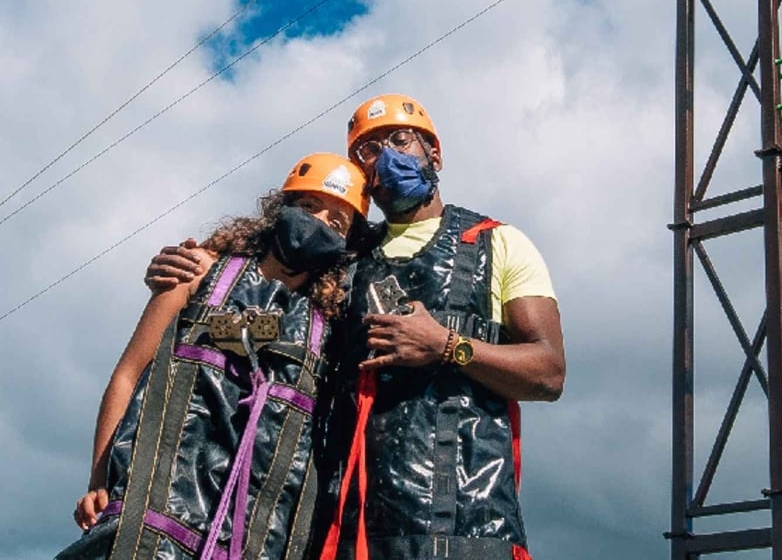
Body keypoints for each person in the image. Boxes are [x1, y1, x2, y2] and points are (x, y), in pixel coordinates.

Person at [147, 94, 565, 560]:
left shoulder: (497, 242)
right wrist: (195, 268)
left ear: (435, 154)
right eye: (369, 149)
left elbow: (549, 372)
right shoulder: (340, 259)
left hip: (469, 529)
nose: (387, 156)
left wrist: (448, 346)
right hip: (345, 533)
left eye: (401, 140)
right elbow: (261, 284)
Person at [62, 153, 369, 560]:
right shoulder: (199, 273)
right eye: (310, 206)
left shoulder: (329, 332)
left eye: (337, 223)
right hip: (150, 529)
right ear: (283, 207)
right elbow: (128, 375)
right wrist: (99, 481)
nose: (318, 223)